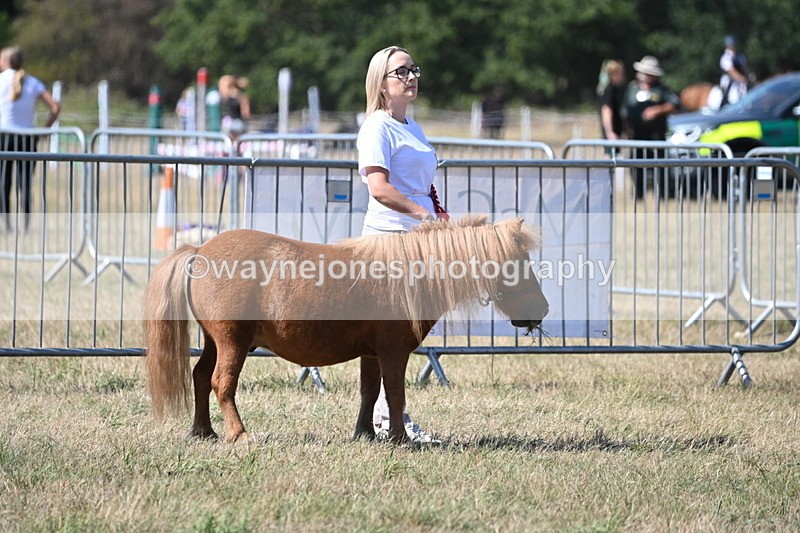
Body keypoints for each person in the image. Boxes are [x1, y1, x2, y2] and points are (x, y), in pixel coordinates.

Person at [357, 45, 445, 443]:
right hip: (391, 240)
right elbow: (379, 188)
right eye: (401, 72)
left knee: (402, 337)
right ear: (381, 83)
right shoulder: (377, 126)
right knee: (392, 338)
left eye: (414, 69)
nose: (411, 77)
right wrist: (424, 216)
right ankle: (389, 419)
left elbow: (422, 184)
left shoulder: (411, 124)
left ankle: (381, 418)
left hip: (420, 239)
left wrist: (438, 213)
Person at [0, 45, 60, 231]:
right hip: (27, 138)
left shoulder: (1, 80)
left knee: (3, 182)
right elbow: (55, 107)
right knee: (25, 183)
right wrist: (45, 130)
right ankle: (26, 225)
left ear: (5, 62)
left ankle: (6, 225)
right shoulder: (33, 82)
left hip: (3, 137)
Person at [621, 55, 680, 198]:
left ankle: (662, 195)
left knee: (660, 167)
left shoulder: (661, 89)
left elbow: (675, 104)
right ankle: (638, 195)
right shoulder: (632, 89)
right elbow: (624, 111)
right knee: (636, 167)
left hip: (656, 138)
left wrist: (658, 110)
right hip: (637, 138)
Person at [718, 35, 753, 107]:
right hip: (729, 81)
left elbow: (745, 67)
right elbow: (732, 72)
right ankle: (723, 104)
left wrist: (750, 76)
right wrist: (743, 79)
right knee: (730, 93)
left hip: (741, 81)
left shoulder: (740, 56)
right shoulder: (725, 58)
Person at [597, 60, 626, 141]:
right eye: (621, 73)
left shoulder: (603, 89)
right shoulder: (610, 90)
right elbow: (606, 110)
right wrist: (610, 132)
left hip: (613, 131)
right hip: (612, 133)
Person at [218, 74, 251, 140]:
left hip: (231, 123)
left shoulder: (228, 97)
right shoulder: (242, 97)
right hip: (238, 123)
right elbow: (246, 113)